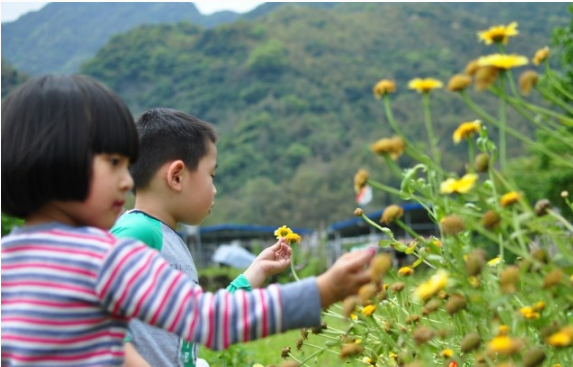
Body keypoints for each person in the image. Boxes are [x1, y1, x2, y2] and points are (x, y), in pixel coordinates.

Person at [0, 74, 376, 367]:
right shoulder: (106, 255)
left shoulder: (8, 262)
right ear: (62, 163)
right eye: (114, 163)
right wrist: (322, 290)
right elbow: (205, 318)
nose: (127, 180)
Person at [110, 107, 294, 367]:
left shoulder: (170, 239)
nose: (214, 190)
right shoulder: (137, 232)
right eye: (211, 176)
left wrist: (257, 270)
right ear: (177, 177)